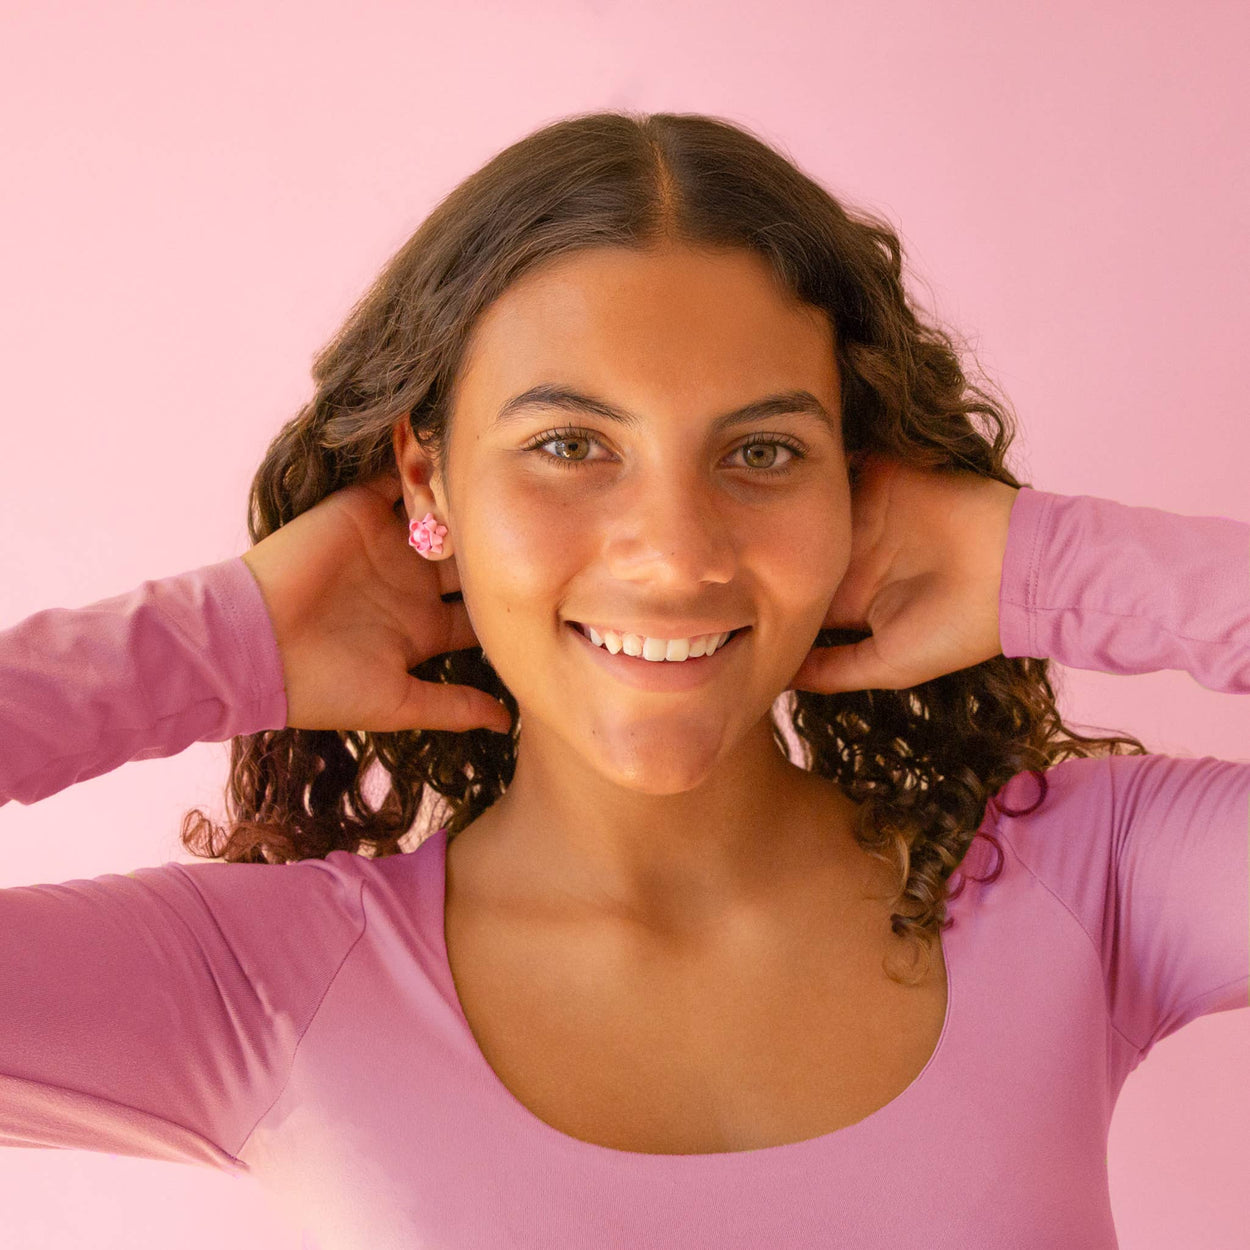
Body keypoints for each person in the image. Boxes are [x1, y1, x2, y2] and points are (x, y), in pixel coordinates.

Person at [1, 110, 1246, 1249]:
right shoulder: (270, 982)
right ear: (427, 484)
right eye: (567, 446)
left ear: (857, 491)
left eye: (762, 450)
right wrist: (216, 642)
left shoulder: (1091, 887)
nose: (674, 552)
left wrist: (1048, 565)